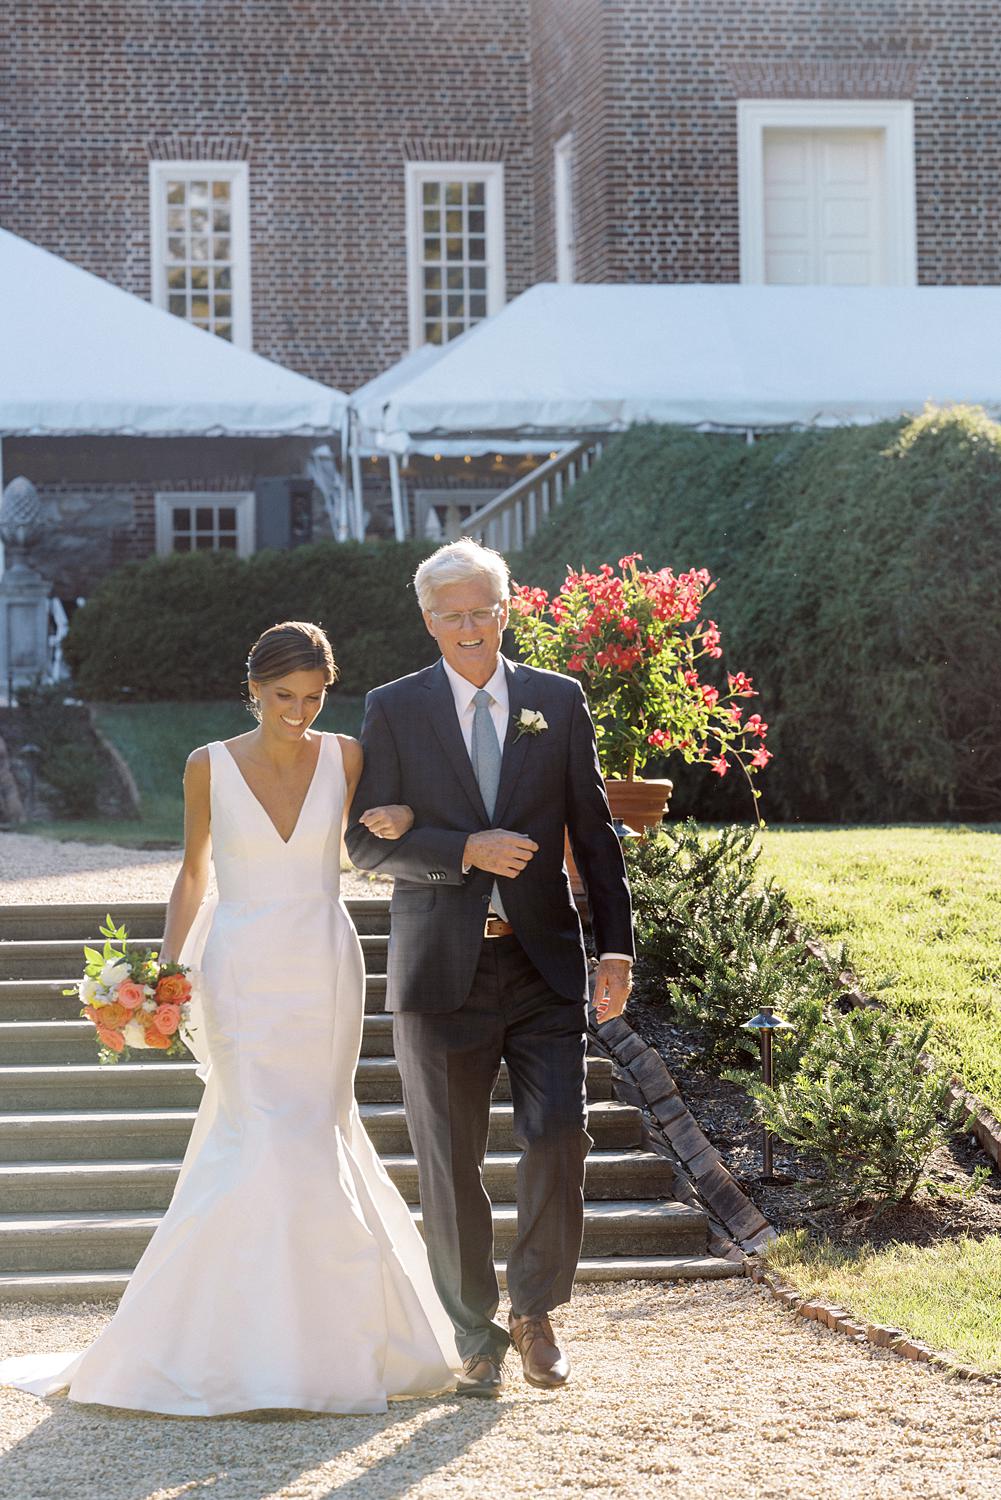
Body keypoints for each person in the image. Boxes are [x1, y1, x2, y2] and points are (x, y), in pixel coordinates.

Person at [0, 621, 457, 1416]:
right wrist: (164, 973)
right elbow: (191, 872)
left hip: (323, 957)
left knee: (317, 1128)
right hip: (240, 965)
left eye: (313, 698)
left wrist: (399, 820)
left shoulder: (346, 755)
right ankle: (234, 1346)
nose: (298, 712)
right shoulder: (206, 765)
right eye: (284, 697)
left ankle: (330, 1346)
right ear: (253, 689)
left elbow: (381, 832)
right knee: (258, 1131)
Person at [345, 539, 634, 1397]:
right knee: (449, 1159)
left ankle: (534, 1311)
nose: (470, 628)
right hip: (439, 974)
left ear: (506, 611)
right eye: (452, 615)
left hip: (544, 966)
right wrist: (460, 849)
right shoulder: (394, 708)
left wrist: (614, 946)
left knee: (557, 1136)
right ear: (428, 621)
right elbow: (364, 842)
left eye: (484, 611)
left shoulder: (556, 700)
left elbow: (595, 833)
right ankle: (474, 1335)